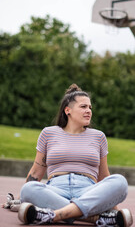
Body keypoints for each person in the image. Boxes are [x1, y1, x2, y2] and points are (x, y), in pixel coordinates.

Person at [16, 84, 132, 226]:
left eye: (90, 107)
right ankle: (97, 218)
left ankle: (54, 214)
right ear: (68, 110)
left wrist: (113, 204)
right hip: (56, 190)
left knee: (119, 182)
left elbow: (104, 177)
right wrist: (22, 198)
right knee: (28, 189)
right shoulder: (48, 133)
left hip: (88, 190)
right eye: (83, 107)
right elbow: (35, 173)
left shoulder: (99, 137)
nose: (89, 111)